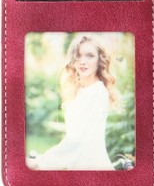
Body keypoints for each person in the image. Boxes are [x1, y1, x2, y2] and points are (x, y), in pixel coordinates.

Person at [28, 35, 118, 171]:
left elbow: (78, 141)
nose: (83, 61)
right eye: (78, 55)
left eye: (90, 56)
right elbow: (72, 138)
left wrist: (40, 162)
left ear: (99, 60)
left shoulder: (97, 92)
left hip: (94, 169)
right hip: (79, 167)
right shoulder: (78, 91)